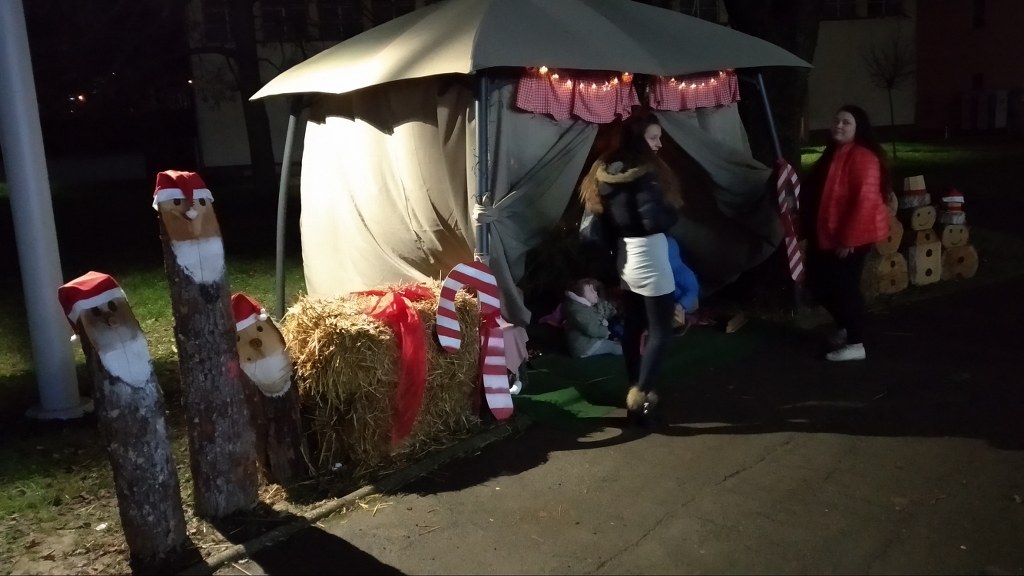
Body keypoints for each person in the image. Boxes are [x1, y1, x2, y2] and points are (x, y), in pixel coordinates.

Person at [578, 112, 683, 425]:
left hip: (626, 256)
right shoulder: (646, 175)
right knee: (661, 331)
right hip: (649, 256)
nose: (659, 144)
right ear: (639, 140)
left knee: (635, 325)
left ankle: (635, 387)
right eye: (653, 137)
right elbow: (654, 221)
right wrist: (673, 212)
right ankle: (641, 397)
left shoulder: (605, 171)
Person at [803, 104, 891, 361]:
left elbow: (865, 200)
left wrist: (849, 239)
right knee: (818, 285)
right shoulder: (834, 153)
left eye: (846, 122)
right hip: (826, 234)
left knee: (844, 288)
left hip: (849, 238)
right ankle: (845, 326)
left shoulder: (864, 157)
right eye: (836, 121)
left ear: (858, 128)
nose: (839, 126)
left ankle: (855, 343)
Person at [562, 278, 623, 358]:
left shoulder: (586, 307)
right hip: (584, 346)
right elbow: (592, 329)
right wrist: (605, 332)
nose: (595, 292)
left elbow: (599, 315)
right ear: (581, 295)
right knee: (615, 347)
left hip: (590, 341)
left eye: (594, 290)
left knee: (615, 339)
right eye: (591, 290)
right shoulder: (578, 310)